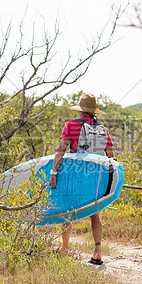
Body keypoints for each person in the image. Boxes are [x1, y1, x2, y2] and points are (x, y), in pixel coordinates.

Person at [49, 93, 114, 265]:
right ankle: (98, 251)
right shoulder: (103, 130)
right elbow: (110, 157)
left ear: (80, 110)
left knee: (66, 211)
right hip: (96, 178)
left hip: (75, 174)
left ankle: (65, 248)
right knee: (95, 212)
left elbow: (61, 150)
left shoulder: (71, 125)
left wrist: (53, 173)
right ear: (93, 111)